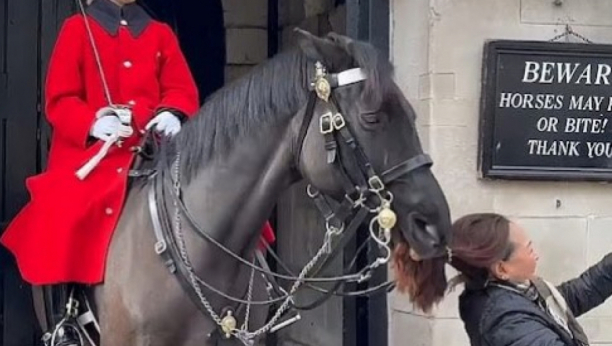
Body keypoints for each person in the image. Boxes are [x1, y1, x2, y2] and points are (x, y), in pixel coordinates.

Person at [0, 0, 274, 345]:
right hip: (96, 155)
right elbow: (61, 98)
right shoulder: (77, 29)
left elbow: (180, 88)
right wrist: (93, 121)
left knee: (222, 200)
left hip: (153, 151)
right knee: (62, 211)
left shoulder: (159, 33)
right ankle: (67, 314)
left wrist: (173, 112)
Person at [447, 213, 612, 346]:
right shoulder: (507, 322)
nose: (537, 255)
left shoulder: (513, 291)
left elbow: (568, 299)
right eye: (529, 249)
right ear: (502, 269)